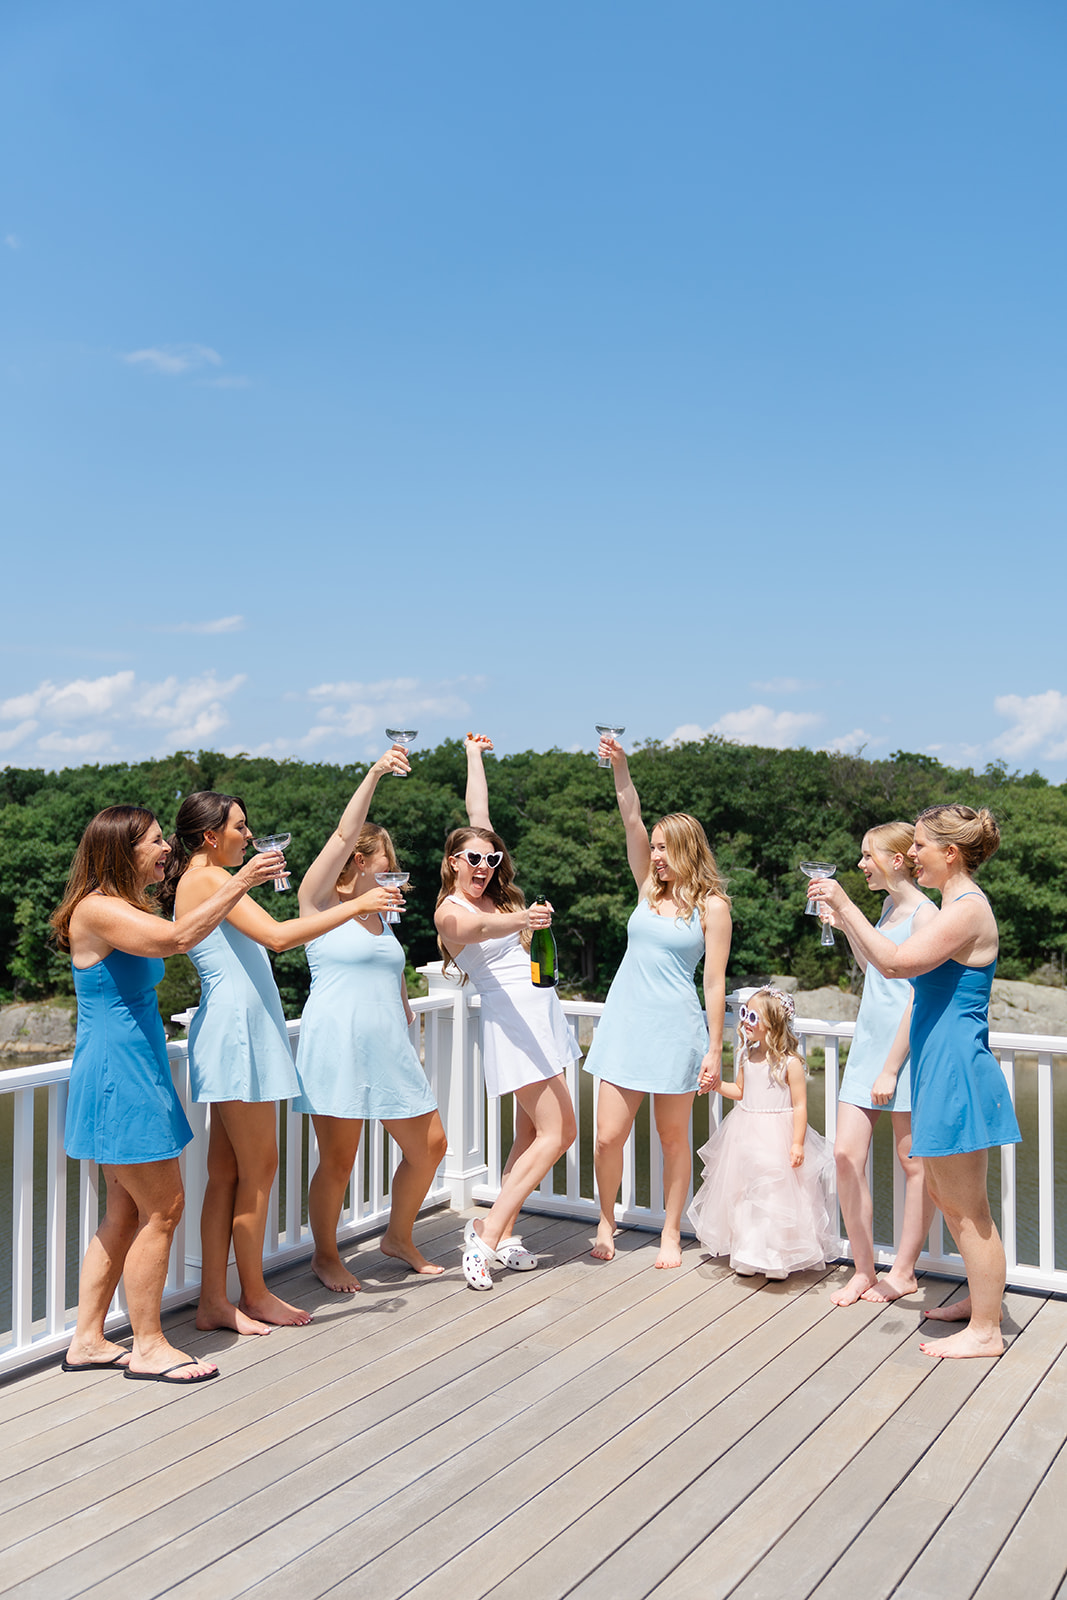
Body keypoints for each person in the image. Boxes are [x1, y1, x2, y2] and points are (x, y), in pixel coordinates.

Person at [52, 805, 283, 1383]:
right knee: (164, 1207)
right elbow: (178, 938)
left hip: (130, 1070)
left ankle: (86, 1338)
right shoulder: (99, 910)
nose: (166, 851)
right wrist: (242, 879)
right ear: (121, 850)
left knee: (127, 1210)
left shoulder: (120, 907)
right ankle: (150, 1344)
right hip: (120, 1076)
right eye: (156, 843)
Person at [161, 791, 399, 1335]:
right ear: (209, 836)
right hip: (239, 1033)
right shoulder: (209, 879)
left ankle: (214, 1302)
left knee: (226, 1174)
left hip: (238, 1029)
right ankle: (255, 1293)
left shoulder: (209, 880)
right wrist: (357, 906)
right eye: (241, 827)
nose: (249, 836)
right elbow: (278, 938)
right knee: (260, 1168)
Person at [809, 804, 1021, 1358]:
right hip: (937, 1064)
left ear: (950, 854)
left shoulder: (967, 909)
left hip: (955, 1067)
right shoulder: (955, 903)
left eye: (922, 846)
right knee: (951, 1201)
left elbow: (898, 964)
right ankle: (983, 1305)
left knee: (967, 1207)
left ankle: (986, 1332)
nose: (913, 855)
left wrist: (843, 903)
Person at [293, 746, 448, 1291]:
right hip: (336, 1045)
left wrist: (402, 999)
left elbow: (382, 971)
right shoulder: (316, 907)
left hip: (389, 1046)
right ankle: (326, 1255)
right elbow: (339, 835)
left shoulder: (384, 914)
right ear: (361, 861)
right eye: (387, 857)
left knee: (430, 1145)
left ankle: (397, 1236)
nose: (394, 865)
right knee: (339, 1160)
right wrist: (377, 772)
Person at [434, 734, 578, 1290]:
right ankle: (486, 1233)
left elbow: (479, 815)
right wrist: (522, 922)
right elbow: (473, 931)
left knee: (527, 1136)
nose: (485, 867)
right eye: (473, 858)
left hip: (541, 1016)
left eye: (491, 860)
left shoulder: (493, 888)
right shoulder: (453, 910)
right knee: (559, 1132)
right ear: (453, 862)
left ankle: (506, 1233)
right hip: (513, 1024)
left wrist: (474, 756)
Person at [583, 735, 732, 1269]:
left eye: (668, 848)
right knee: (606, 1138)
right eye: (657, 847)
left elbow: (714, 983)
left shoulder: (713, 906)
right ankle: (607, 1218)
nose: (658, 855)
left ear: (689, 850)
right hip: (625, 1026)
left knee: (674, 1140)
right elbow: (631, 818)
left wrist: (715, 1049)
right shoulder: (646, 886)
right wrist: (620, 768)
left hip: (676, 1032)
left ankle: (672, 1231)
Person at [830, 823, 938, 1306]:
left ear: (897, 859)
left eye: (867, 855)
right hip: (868, 1043)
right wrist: (847, 925)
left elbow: (917, 996)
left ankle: (905, 1270)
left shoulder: (927, 914)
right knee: (845, 1155)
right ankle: (865, 1268)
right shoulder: (888, 906)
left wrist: (892, 1069)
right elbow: (877, 964)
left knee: (913, 1165)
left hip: (906, 1050)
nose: (860, 864)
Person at [688, 987, 836, 1279]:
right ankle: (748, 1254)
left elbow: (800, 1106)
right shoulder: (746, 1055)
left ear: (772, 1023)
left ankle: (775, 1258)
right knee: (746, 1194)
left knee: (775, 1196)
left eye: (752, 1016)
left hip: (777, 1136)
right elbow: (740, 1092)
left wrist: (797, 1143)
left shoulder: (789, 1063)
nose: (745, 1021)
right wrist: (717, 1085)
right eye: (743, 1014)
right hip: (745, 1132)